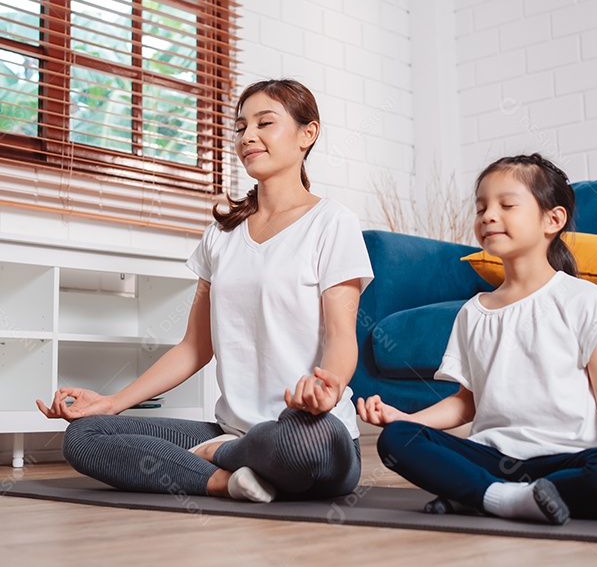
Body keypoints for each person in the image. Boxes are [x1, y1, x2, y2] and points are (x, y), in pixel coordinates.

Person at [37, 78, 374, 503]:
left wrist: (329, 388)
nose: (248, 136)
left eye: (265, 123)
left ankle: (221, 456)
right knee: (86, 435)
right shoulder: (221, 234)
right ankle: (226, 480)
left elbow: (343, 335)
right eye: (240, 127)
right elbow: (195, 347)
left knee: (303, 444)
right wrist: (112, 402)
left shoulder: (332, 222)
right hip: (234, 427)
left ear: (308, 134)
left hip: (310, 430)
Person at [357, 154, 597, 524]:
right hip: (493, 456)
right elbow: (466, 403)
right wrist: (406, 418)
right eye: (481, 207)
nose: (488, 216)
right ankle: (505, 496)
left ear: (553, 219)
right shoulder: (473, 312)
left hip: (570, 457)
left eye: (507, 205)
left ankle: (479, 494)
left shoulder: (583, 299)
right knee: (397, 441)